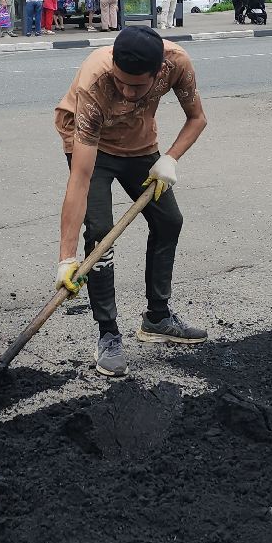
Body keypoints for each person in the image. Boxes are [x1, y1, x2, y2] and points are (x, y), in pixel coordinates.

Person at [53, 27, 208, 377]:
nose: (126, 91)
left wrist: (170, 158)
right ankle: (108, 334)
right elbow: (80, 177)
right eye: (121, 83)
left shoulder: (176, 64)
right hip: (92, 145)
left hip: (140, 145)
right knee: (101, 234)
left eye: (137, 86)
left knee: (169, 220)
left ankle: (157, 318)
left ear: (157, 73)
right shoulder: (96, 82)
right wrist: (67, 257)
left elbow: (197, 118)